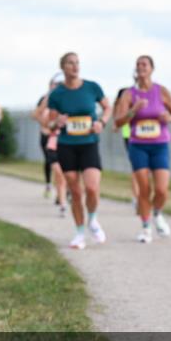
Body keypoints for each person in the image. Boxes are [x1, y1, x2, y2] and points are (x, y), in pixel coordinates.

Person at [45, 52, 111, 249]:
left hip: (89, 143)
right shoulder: (57, 94)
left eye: (77, 63)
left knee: (92, 187)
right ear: (62, 67)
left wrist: (101, 122)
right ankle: (80, 233)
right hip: (67, 145)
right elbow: (50, 124)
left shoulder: (92, 87)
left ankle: (92, 219)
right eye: (70, 63)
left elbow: (108, 108)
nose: (75, 66)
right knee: (75, 191)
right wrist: (57, 122)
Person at [114, 55, 171, 243]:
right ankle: (145, 227)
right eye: (138, 64)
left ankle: (157, 213)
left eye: (144, 64)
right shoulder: (129, 94)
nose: (141, 67)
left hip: (160, 144)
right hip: (138, 145)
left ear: (151, 68)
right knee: (144, 189)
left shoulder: (161, 91)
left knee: (162, 190)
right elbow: (118, 121)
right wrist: (133, 110)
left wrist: (169, 118)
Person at [33, 73, 67, 217]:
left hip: (67, 140)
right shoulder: (47, 99)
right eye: (55, 85)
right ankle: (62, 203)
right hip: (51, 139)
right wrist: (47, 125)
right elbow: (36, 114)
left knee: (66, 172)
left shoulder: (70, 99)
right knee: (57, 170)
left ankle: (62, 195)